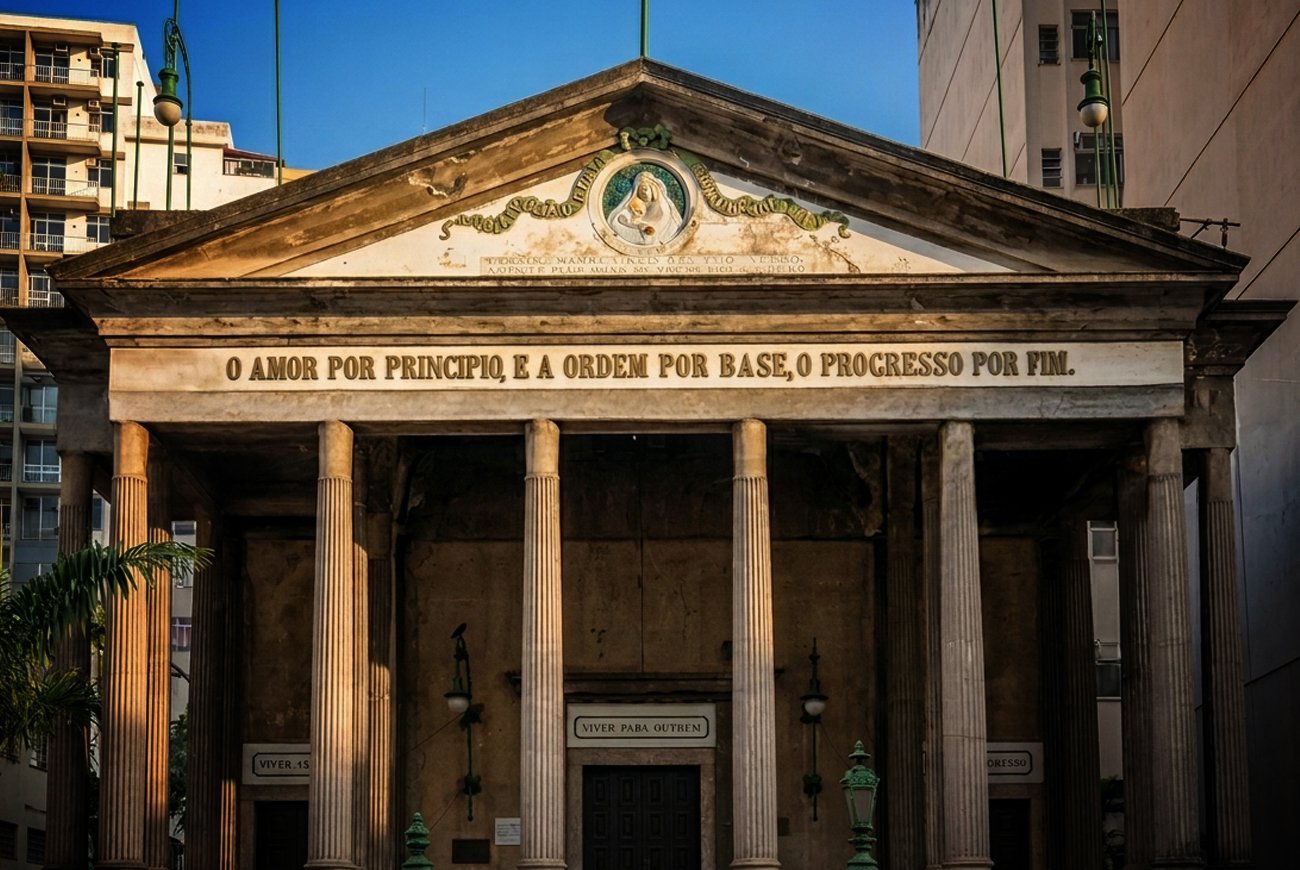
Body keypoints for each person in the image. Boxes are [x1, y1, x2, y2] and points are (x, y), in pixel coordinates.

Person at [608, 170, 684, 244]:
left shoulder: (664, 207)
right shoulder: (633, 204)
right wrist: (637, 225)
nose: (643, 192)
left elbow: (668, 223)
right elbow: (621, 218)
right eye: (640, 190)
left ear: (653, 189)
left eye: (645, 189)